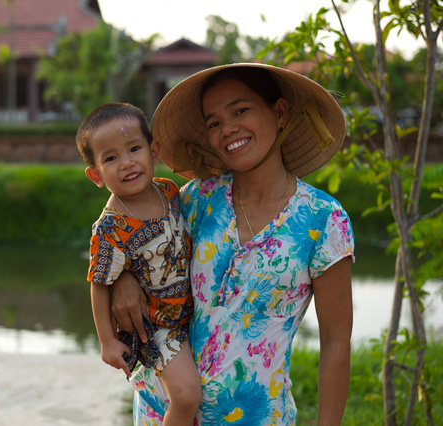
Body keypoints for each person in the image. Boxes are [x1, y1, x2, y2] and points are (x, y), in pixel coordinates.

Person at [110, 64, 355, 425]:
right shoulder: (196, 200)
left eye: (241, 111)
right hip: (160, 411)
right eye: (213, 123)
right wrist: (122, 280)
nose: (228, 130)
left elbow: (335, 341)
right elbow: (122, 228)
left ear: (280, 112)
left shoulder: (324, 219)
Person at [76, 102, 202, 425]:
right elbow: (99, 282)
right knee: (187, 396)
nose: (127, 163)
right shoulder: (111, 227)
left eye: (134, 149)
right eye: (111, 158)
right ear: (96, 175)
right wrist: (107, 342)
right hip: (156, 328)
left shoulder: (169, 190)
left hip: (191, 315)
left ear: (154, 151)